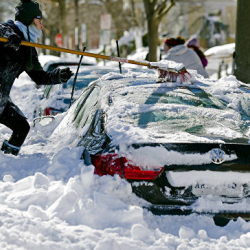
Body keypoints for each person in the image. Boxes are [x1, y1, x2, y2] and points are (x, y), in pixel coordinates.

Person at [0, 0, 74, 156]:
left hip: (1, 98)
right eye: (39, 21)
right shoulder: (9, 31)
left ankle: (6, 159)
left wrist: (58, 76)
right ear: (28, 20)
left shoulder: (28, 49)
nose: (41, 26)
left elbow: (39, 77)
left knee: (21, 127)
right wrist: (10, 36)